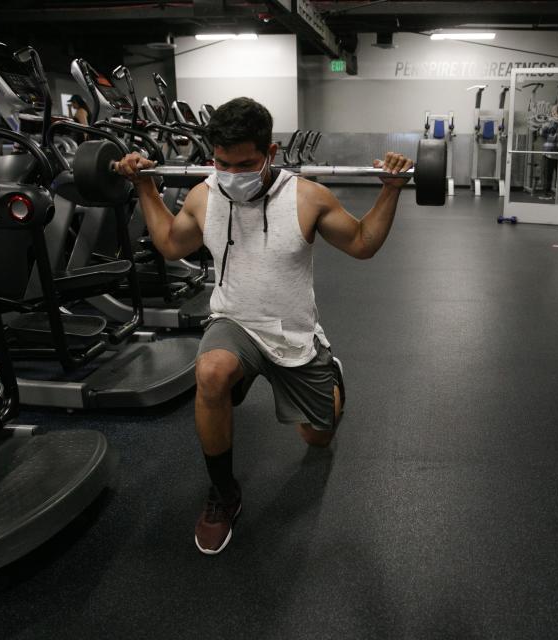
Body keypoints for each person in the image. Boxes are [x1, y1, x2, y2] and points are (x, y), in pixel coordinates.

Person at [113, 97, 413, 555]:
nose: (231, 173)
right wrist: (145, 189)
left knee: (318, 437)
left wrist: (390, 189)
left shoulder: (307, 197)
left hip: (292, 332)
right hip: (234, 320)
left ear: (270, 153)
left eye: (245, 163)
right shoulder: (204, 194)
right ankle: (223, 494)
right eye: (221, 162)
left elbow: (362, 244)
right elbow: (173, 244)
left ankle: (330, 378)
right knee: (210, 374)